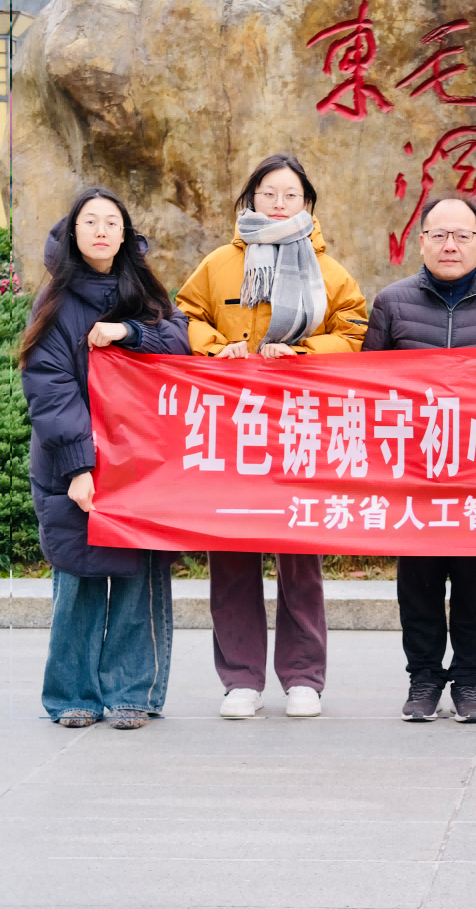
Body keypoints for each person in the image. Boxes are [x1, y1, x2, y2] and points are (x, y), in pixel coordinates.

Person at [175, 154, 368, 719]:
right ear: (250, 199)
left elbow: (355, 330)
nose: (279, 204)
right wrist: (219, 347)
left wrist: (302, 352)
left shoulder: (330, 271)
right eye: (268, 194)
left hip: (301, 426)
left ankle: (303, 677)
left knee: (299, 556)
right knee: (231, 552)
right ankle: (240, 679)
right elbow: (184, 316)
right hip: (233, 427)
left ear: (307, 203)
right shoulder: (218, 264)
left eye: (290, 195)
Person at [20, 188, 190, 729]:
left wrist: (130, 331)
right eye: (90, 221)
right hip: (74, 464)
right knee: (79, 578)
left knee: (141, 579)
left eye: (111, 222)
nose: (100, 230)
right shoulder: (54, 301)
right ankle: (72, 694)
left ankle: (133, 692)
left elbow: (180, 345)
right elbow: (49, 389)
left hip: (142, 465)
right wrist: (78, 466)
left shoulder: (145, 291)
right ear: (73, 233)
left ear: (124, 235)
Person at [363, 196, 476, 723]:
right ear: (421, 242)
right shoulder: (391, 302)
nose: (450, 245)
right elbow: (369, 387)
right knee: (419, 584)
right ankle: (424, 678)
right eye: (439, 235)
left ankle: (470, 680)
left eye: (461, 236)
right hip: (415, 473)